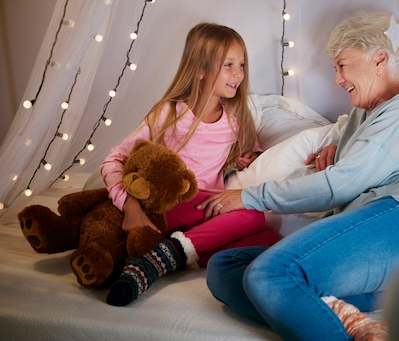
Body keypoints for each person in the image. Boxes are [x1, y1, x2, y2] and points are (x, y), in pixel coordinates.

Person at [200, 11, 399, 340]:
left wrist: (251, 196)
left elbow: (342, 183)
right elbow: (343, 162)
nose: (337, 79)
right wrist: (334, 151)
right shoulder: (358, 121)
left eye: (342, 65)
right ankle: (343, 316)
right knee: (224, 268)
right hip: (373, 236)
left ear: (379, 59)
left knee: (268, 274)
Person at [103, 22, 281, 307]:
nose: (239, 74)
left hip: (205, 211)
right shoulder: (169, 112)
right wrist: (130, 206)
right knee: (255, 215)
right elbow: (114, 159)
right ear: (201, 69)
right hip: (170, 206)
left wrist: (253, 157)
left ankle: (163, 257)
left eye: (242, 65)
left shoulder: (235, 118)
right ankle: (166, 256)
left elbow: (251, 150)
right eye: (228, 65)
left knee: (270, 240)